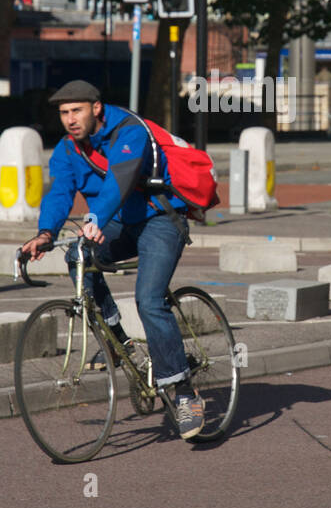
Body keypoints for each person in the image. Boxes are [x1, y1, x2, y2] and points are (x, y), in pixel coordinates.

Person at [18, 80, 206, 440]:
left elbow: (120, 179)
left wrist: (95, 220)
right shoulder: (67, 149)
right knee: (76, 254)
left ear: (96, 108)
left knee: (149, 300)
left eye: (77, 111)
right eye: (63, 113)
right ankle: (119, 342)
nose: (70, 120)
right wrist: (44, 234)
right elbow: (59, 192)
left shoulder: (129, 131)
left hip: (161, 219)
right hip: (119, 223)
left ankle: (184, 392)